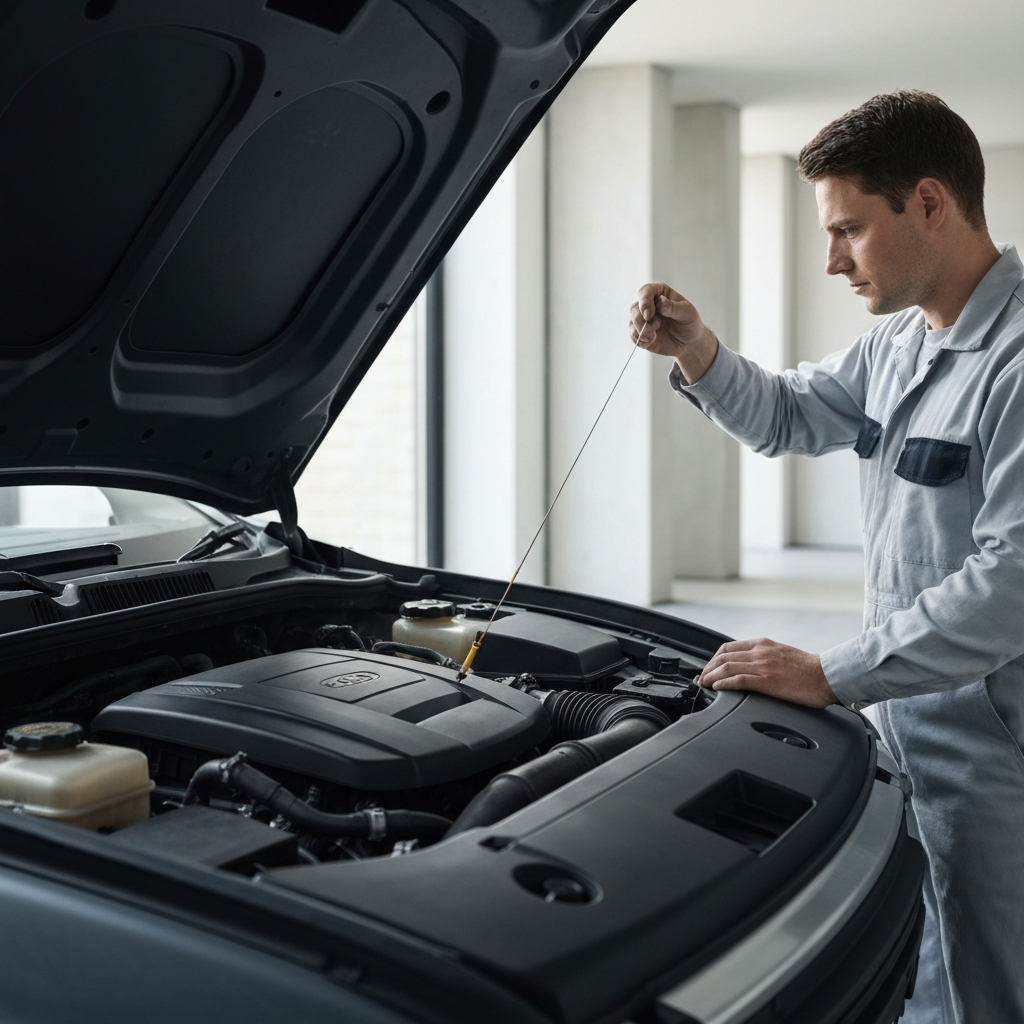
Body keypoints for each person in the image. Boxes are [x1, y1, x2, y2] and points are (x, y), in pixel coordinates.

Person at [629, 90, 1024, 1023]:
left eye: (849, 230)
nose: (832, 260)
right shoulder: (897, 341)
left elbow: (1014, 584)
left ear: (929, 202)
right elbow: (792, 413)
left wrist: (830, 673)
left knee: (993, 984)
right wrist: (698, 351)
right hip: (912, 717)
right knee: (929, 955)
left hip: (998, 747)